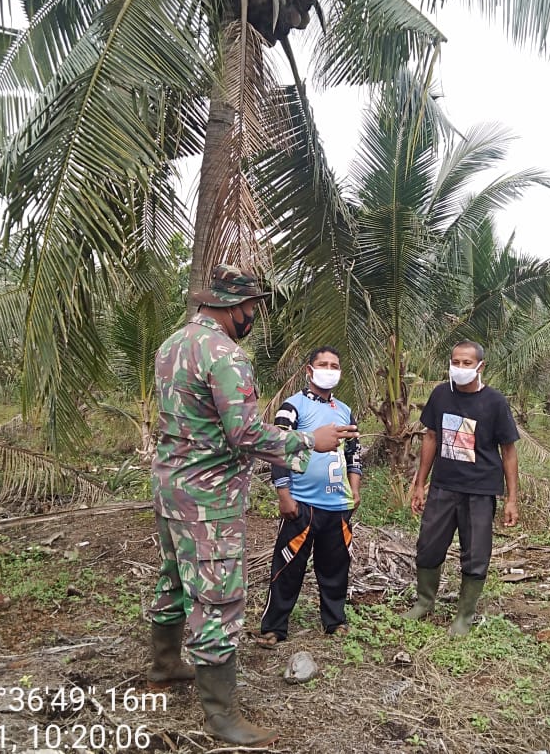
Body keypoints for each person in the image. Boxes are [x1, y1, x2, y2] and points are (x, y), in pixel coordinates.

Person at [147, 264, 358, 746]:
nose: (253, 317)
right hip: (209, 498)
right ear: (230, 307)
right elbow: (242, 432)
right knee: (218, 596)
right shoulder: (226, 355)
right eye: (251, 308)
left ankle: (163, 663)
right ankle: (221, 715)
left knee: (175, 575)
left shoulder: (171, 344)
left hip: (171, 486)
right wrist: (309, 440)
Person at [403, 340, 520, 636]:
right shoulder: (441, 394)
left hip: (480, 490)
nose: (460, 367)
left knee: (476, 553)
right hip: (443, 487)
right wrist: (420, 483)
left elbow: (508, 451)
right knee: (428, 546)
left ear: (480, 366)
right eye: (456, 361)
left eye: (467, 363)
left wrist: (511, 499)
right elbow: (430, 437)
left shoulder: (494, 402)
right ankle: (424, 601)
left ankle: (464, 616)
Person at [257, 346, 363, 647]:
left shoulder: (344, 410)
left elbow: (354, 454)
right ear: (309, 370)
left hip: (338, 505)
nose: (329, 369)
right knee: (288, 567)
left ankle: (335, 621)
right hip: (302, 504)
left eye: (334, 365)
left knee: (335, 568)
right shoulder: (293, 407)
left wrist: (354, 489)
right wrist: (284, 494)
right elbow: (277, 450)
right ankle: (274, 626)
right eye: (323, 364)